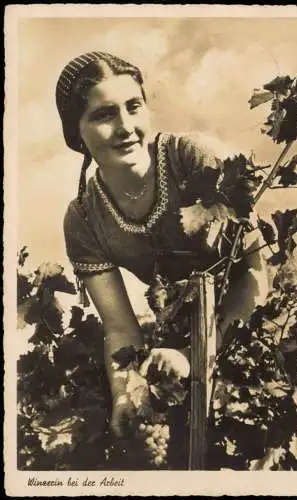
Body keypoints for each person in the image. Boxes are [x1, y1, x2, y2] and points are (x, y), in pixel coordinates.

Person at [56, 51, 269, 442]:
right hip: (176, 346)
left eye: (134, 107)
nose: (126, 127)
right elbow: (120, 328)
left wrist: (197, 356)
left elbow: (255, 275)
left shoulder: (190, 159)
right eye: (104, 115)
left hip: (258, 332)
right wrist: (125, 395)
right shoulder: (83, 219)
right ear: (76, 134)